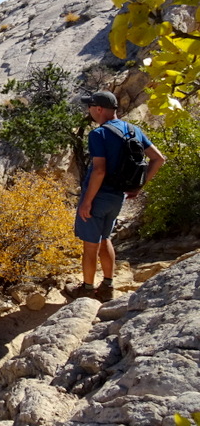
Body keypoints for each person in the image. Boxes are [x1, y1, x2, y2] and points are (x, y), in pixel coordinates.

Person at [68, 90, 166, 301]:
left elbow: (99, 170)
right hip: (117, 197)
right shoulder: (133, 130)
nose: (89, 111)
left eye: (90, 107)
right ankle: (107, 286)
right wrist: (139, 186)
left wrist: (86, 201)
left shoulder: (99, 134)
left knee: (90, 244)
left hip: (98, 196)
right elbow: (158, 159)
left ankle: (86, 290)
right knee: (105, 238)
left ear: (99, 109)